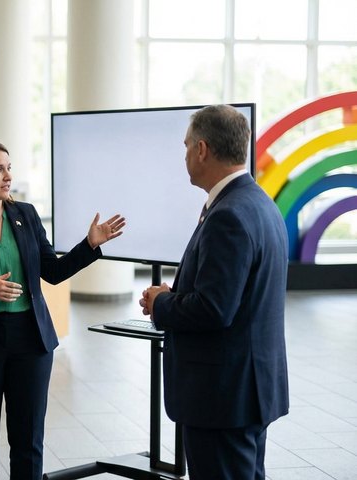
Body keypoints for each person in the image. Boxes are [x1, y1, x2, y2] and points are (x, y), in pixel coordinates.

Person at [0, 139, 125, 480]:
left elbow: (52, 271)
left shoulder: (25, 215)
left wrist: (89, 245)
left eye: (9, 168)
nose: (8, 176)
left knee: (29, 440)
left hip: (30, 340)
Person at [139, 105, 289, 480]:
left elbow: (214, 309)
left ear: (202, 149)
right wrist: (178, 294)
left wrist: (161, 303)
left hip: (222, 397)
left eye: (186, 146)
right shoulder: (258, 202)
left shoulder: (228, 215)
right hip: (247, 389)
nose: (185, 156)